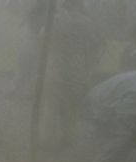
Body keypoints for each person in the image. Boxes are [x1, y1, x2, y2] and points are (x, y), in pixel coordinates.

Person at [43, 0, 102, 148]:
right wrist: (89, 66)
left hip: (56, 67)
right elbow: (95, 46)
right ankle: (68, 138)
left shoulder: (56, 19)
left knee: (51, 106)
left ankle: (48, 139)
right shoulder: (87, 22)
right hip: (77, 69)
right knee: (71, 107)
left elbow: (42, 37)